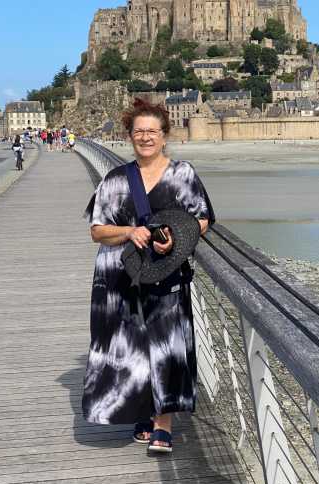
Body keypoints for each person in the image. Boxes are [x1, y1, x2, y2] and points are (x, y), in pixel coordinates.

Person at [82, 98, 214, 453]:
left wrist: (175, 236)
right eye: (139, 131)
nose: (145, 137)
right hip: (119, 278)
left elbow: (202, 219)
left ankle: (163, 424)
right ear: (130, 135)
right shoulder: (114, 180)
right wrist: (128, 232)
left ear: (165, 135)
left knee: (167, 345)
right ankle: (142, 410)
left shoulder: (182, 174)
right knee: (131, 349)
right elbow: (97, 231)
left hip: (166, 273)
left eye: (151, 131)